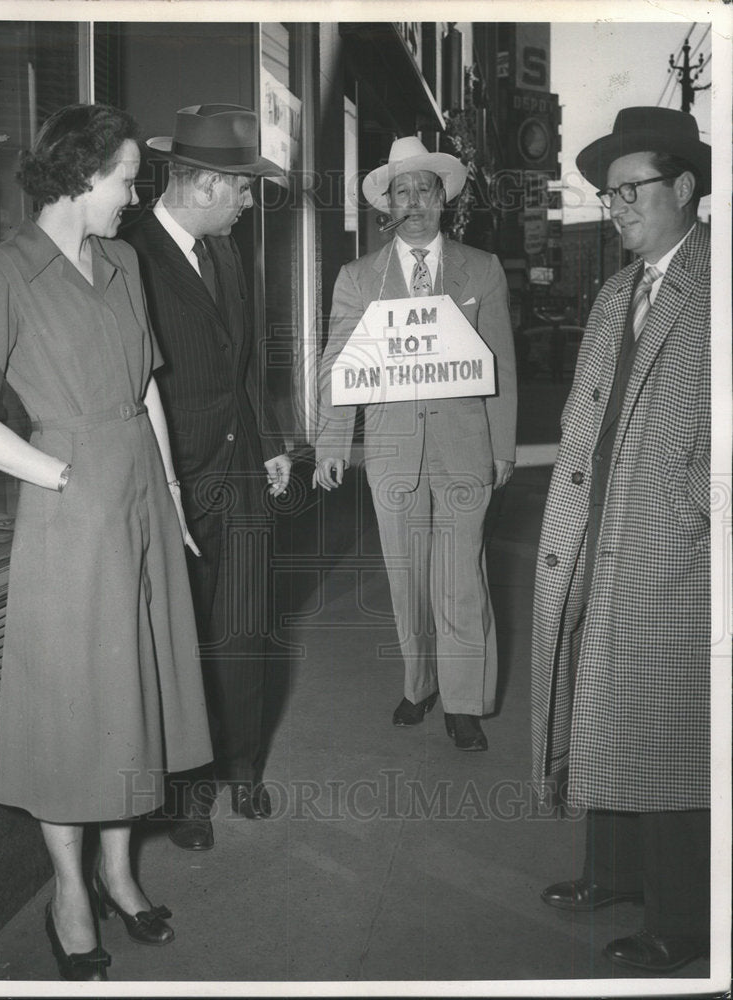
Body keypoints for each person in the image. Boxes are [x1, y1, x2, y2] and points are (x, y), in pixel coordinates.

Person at [0, 104, 213, 980]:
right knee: (73, 708)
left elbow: (148, 388)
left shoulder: (122, 261)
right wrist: (61, 476)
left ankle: (120, 872)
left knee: (134, 692)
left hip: (144, 493)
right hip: (70, 510)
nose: (133, 196)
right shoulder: (1, 274)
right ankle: (71, 893)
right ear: (79, 177)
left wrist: (173, 494)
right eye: (123, 178)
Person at [531, 107, 711, 973]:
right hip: (597, 524)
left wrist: (694, 522)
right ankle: (612, 873)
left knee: (671, 726)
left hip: (676, 544)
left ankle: (684, 922)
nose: (616, 207)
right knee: (601, 700)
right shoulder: (615, 290)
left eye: (631, 189)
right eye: (607, 195)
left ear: (684, 187)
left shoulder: (716, 288)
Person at [314, 137, 517, 751]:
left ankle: (464, 702)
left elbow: (500, 362)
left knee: (462, 579)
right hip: (392, 447)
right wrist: (330, 441)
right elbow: (337, 362)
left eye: (425, 189)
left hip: (464, 445)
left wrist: (502, 446)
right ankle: (419, 683)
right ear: (388, 206)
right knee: (407, 579)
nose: (415, 201)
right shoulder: (357, 278)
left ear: (442, 199)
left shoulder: (482, 269)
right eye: (402, 191)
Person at [124, 104, 291, 846]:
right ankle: (186, 796)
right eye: (244, 188)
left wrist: (273, 443)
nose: (251, 201)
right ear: (205, 183)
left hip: (244, 474)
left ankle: (244, 769)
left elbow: (244, 361)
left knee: (247, 627)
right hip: (176, 480)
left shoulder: (227, 249)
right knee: (180, 639)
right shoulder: (127, 253)